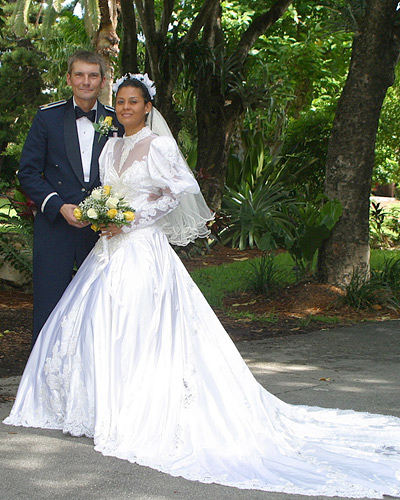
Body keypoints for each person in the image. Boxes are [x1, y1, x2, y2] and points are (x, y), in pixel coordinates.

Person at [4, 74, 400, 499]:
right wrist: (105, 217)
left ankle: (143, 411)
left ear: (148, 107)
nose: (125, 108)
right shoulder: (112, 146)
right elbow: (106, 191)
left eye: (133, 102)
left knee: (141, 328)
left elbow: (178, 191)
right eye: (120, 102)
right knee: (96, 325)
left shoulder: (157, 145)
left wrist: (132, 219)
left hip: (143, 249)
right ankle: (104, 408)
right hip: (109, 251)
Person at [18, 50, 123, 345]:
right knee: (50, 306)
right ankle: (44, 381)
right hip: (55, 228)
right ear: (69, 79)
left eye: (92, 75)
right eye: (79, 75)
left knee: (100, 308)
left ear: (102, 81)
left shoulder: (117, 121)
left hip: (101, 231)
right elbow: (27, 173)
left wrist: (111, 213)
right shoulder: (47, 117)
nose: (86, 81)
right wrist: (58, 205)